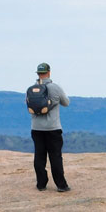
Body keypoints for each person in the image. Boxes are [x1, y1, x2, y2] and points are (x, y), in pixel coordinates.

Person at [29, 62, 70, 192]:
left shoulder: (32, 89)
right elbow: (66, 103)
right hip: (53, 128)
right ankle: (61, 185)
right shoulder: (55, 87)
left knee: (39, 156)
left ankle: (41, 184)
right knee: (55, 156)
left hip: (36, 128)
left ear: (38, 74)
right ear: (49, 72)